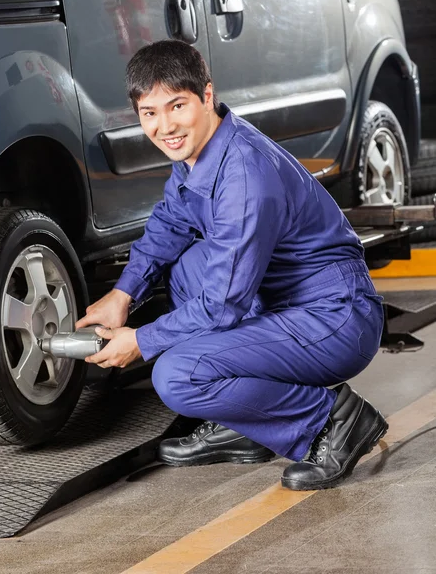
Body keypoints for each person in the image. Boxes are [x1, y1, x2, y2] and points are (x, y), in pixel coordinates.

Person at [75, 39, 388, 491]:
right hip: (286, 304)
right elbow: (169, 224)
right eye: (149, 113)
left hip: (336, 319)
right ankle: (246, 425)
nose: (164, 127)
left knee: (176, 374)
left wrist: (141, 340)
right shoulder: (199, 154)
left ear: (206, 96)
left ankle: (335, 421)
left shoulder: (245, 176)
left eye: (176, 106)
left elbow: (222, 305)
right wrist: (122, 295)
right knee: (184, 265)